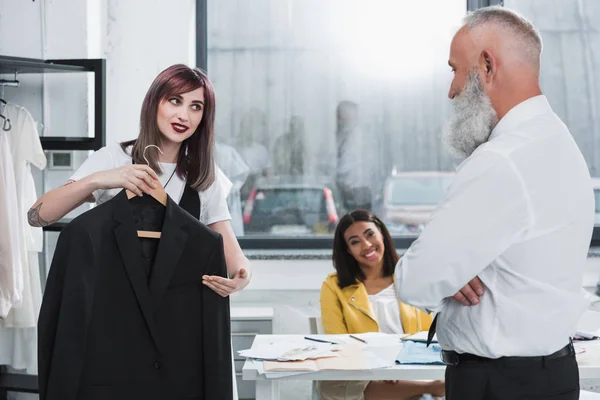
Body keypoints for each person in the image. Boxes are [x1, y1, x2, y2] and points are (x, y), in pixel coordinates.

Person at [393, 7, 595, 400]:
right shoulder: (558, 142)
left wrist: (446, 274)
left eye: (454, 70)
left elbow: (415, 281)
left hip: (498, 384)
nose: (451, 90)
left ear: (486, 65)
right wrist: (452, 271)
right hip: (552, 375)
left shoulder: (501, 160)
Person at [28, 64, 251, 397]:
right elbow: (38, 215)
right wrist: (102, 179)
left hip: (176, 339)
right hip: (114, 330)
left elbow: (231, 255)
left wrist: (241, 277)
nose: (184, 115)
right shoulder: (112, 158)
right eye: (175, 100)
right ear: (155, 102)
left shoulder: (205, 177)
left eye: (196, 106)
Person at [317, 210, 445, 400]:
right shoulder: (333, 285)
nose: (366, 245)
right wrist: (380, 367)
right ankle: (432, 388)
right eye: (355, 241)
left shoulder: (409, 275)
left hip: (409, 365)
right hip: (362, 370)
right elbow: (341, 344)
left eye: (370, 235)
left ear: (382, 234)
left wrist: (396, 367)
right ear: (347, 250)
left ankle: (419, 388)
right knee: (336, 387)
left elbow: (425, 337)